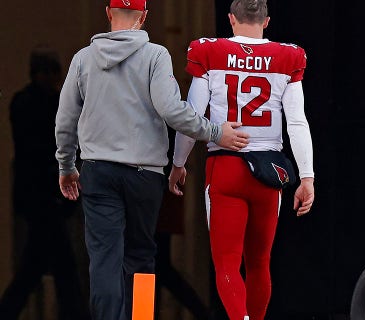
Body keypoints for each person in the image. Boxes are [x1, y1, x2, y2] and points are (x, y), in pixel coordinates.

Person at [54, 0, 250, 319]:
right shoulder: (155, 56)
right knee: (141, 257)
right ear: (144, 17)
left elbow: (65, 120)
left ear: (107, 12)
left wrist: (66, 166)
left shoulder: (83, 60)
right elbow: (172, 111)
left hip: (98, 171)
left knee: (104, 260)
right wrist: (216, 132)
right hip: (144, 175)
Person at [168, 0, 315, 319]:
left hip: (227, 166)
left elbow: (192, 116)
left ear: (231, 19)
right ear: (267, 21)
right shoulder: (287, 56)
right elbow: (297, 122)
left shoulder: (210, 51)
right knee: (259, 263)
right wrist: (307, 176)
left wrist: (179, 162)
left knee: (227, 264)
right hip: (269, 170)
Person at [0, 47, 89, 320]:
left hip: (35, 197)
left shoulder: (23, 102)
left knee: (37, 266)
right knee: (60, 267)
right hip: (47, 197)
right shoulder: (47, 105)